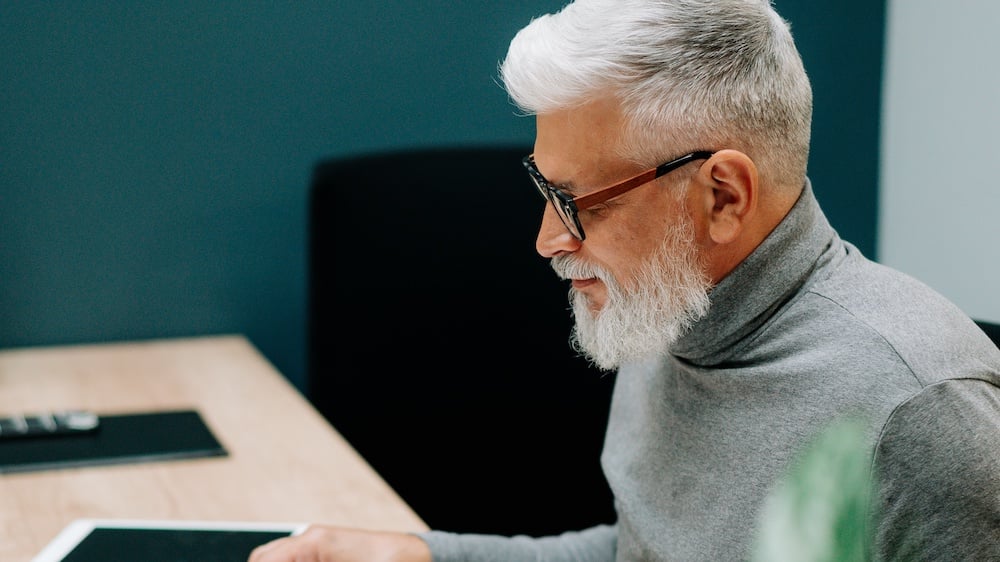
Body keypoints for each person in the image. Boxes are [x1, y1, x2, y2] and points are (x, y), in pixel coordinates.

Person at [249, 0, 1000, 560]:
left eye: (577, 203)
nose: (547, 240)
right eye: (545, 193)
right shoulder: (671, 305)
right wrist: (423, 555)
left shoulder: (920, 417)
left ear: (722, 197)